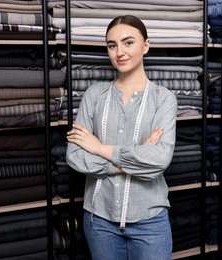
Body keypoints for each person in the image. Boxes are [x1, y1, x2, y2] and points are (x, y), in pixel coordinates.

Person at [66, 14, 177, 260]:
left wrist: (98, 147)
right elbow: (74, 156)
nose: (119, 52)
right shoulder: (93, 95)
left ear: (145, 45)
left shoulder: (164, 99)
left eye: (128, 43)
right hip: (99, 221)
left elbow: (158, 160)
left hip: (150, 223)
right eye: (112, 45)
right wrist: (131, 160)